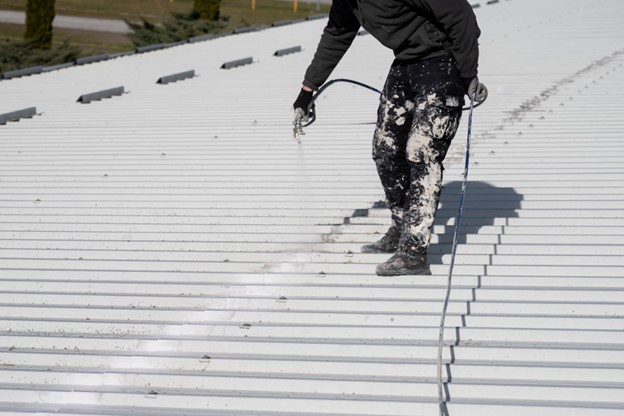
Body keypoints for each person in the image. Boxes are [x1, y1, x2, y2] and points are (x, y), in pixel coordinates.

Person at [293, 0, 487, 276]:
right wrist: (308, 89)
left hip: (443, 62)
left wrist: (468, 74)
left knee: (422, 152)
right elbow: (337, 34)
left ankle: (413, 252)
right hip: (406, 63)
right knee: (385, 148)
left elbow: (460, 14)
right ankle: (401, 226)